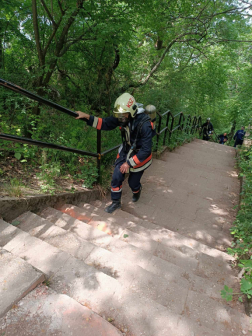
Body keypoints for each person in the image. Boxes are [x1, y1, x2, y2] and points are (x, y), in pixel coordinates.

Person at [75, 93, 154, 213]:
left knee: (133, 182)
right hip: (126, 151)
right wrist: (87, 117)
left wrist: (129, 163)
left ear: (131, 112)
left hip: (139, 155)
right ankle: (116, 202)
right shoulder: (124, 117)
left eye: (122, 115)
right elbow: (105, 123)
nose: (120, 118)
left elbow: (146, 149)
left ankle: (137, 190)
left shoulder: (145, 125)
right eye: (119, 115)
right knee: (116, 176)